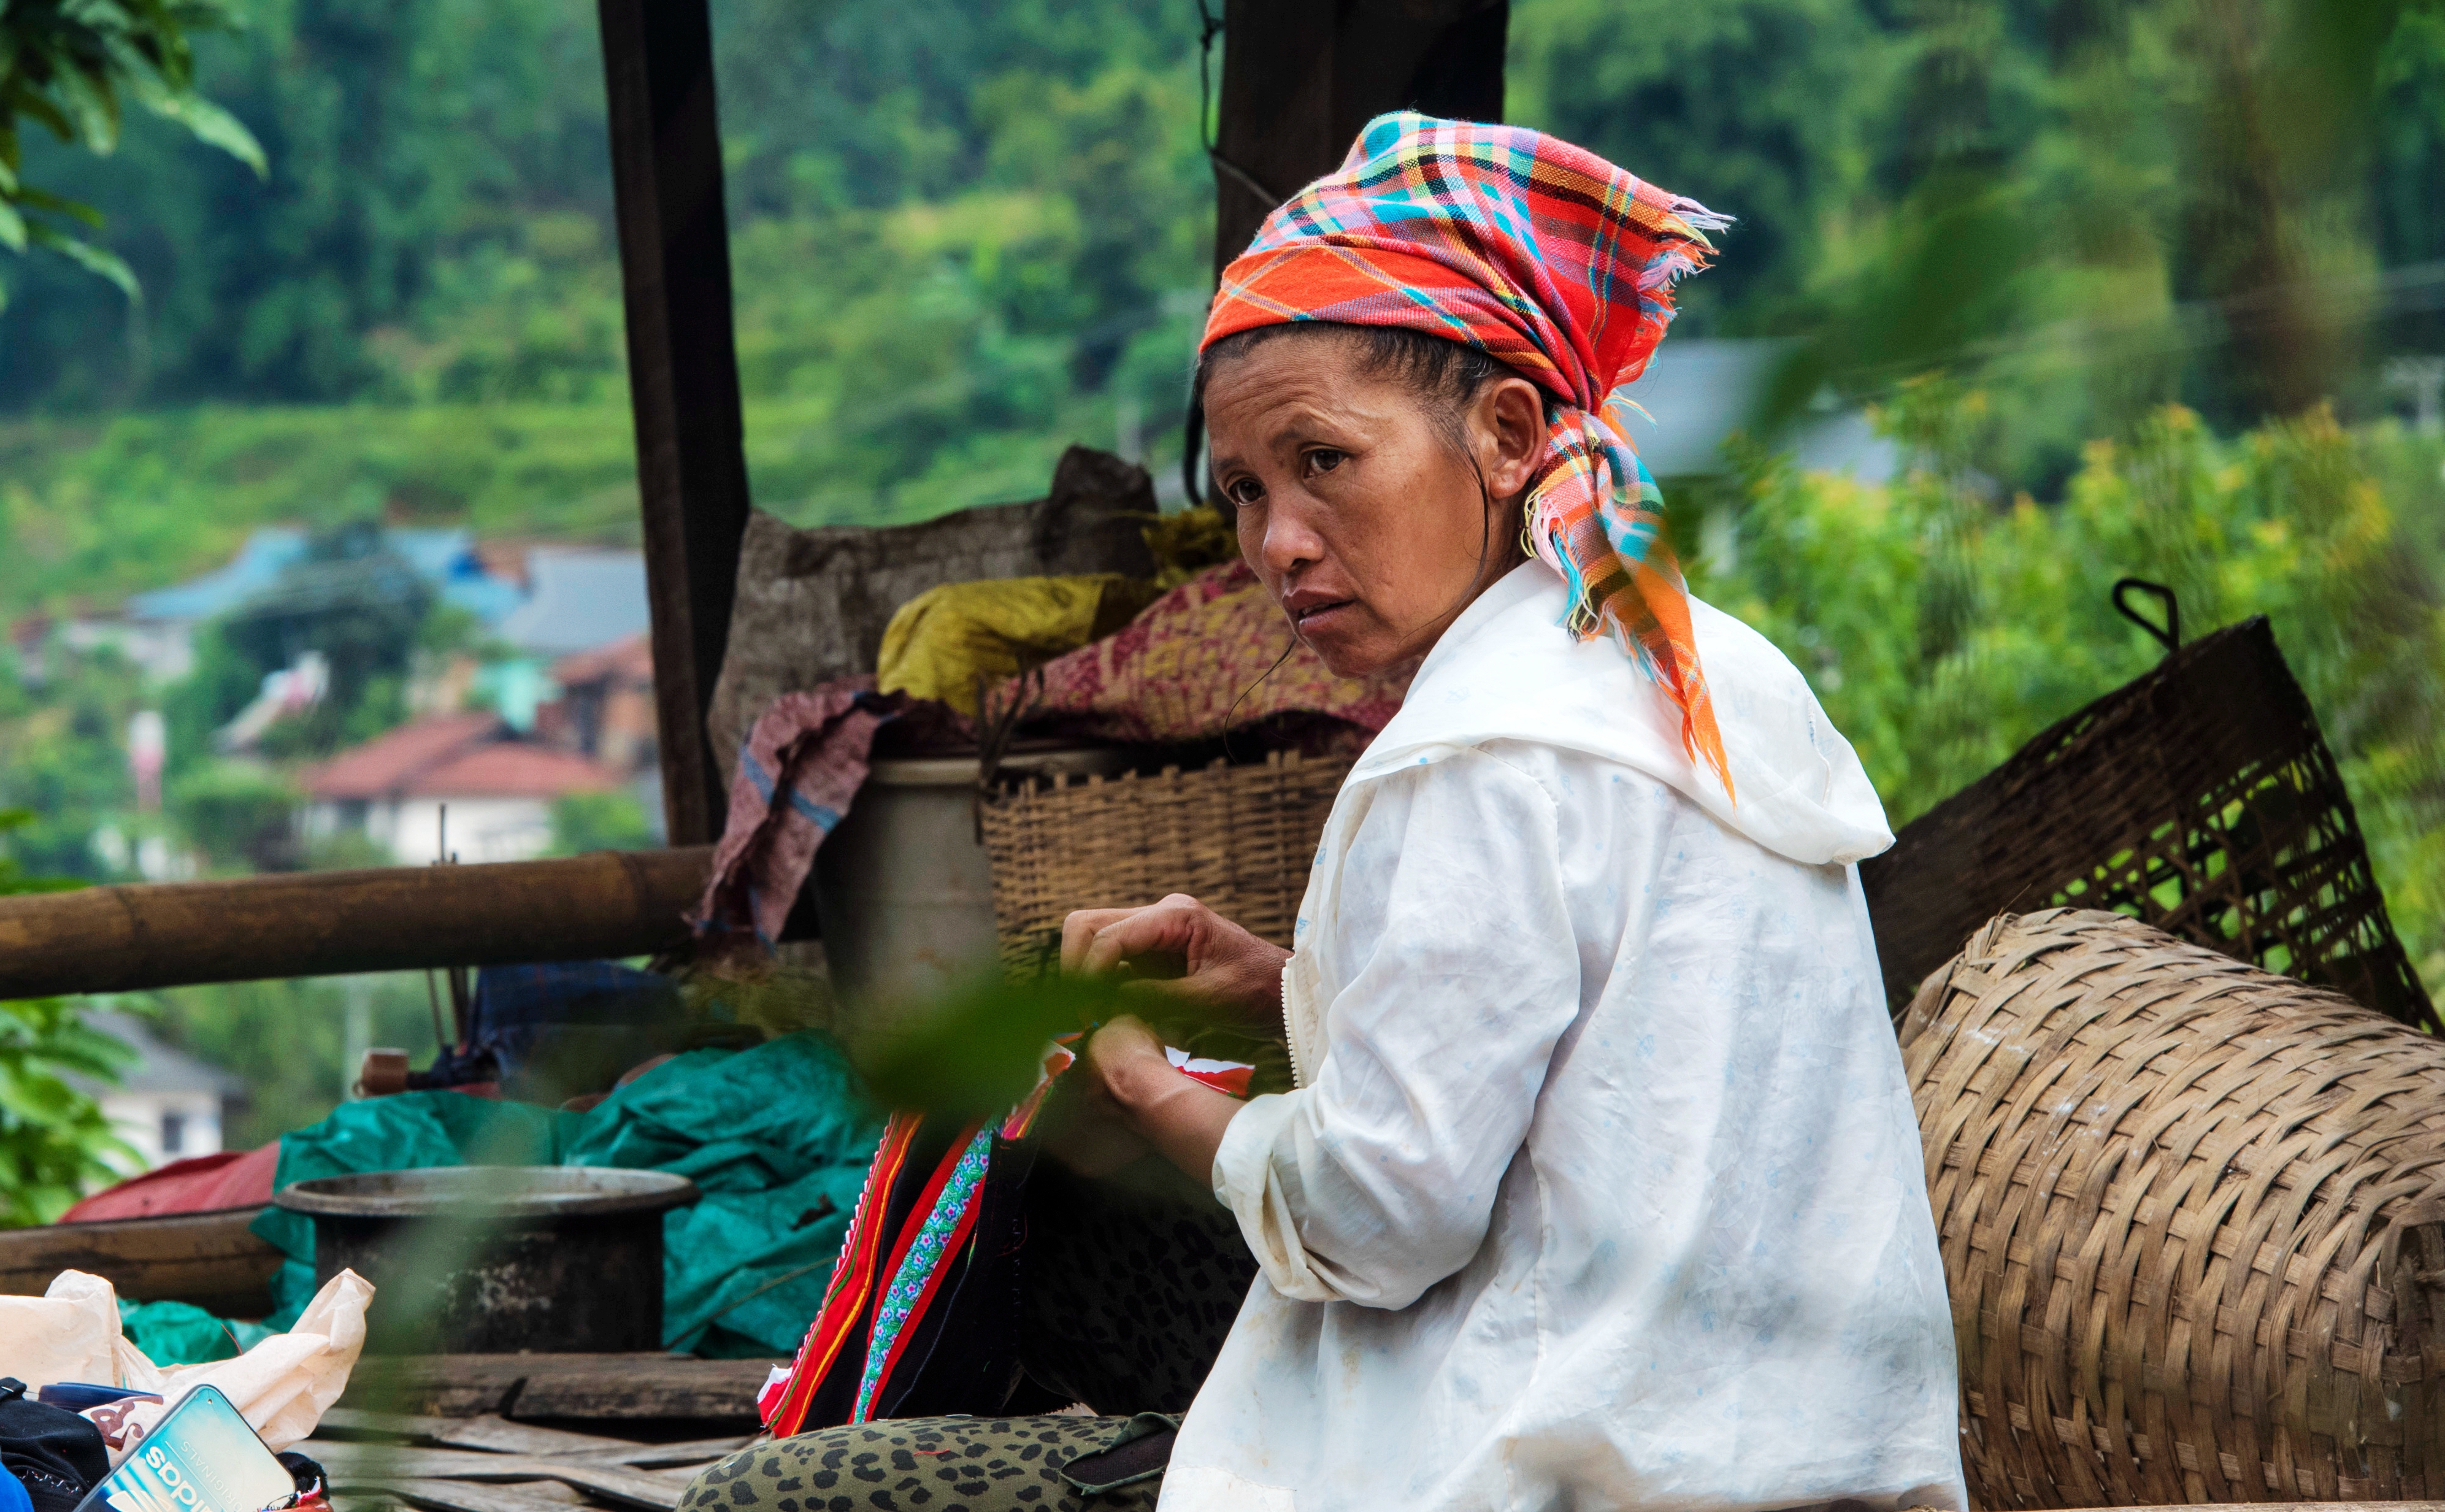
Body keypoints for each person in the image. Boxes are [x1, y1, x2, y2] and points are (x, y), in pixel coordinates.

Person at [688, 114, 1961, 1512]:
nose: (1277, 540)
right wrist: (1284, 992)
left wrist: (1145, 1087)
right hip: (1811, 1459)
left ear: (1507, 431)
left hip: (1555, 1474)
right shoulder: (1681, 669)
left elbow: (1380, 1220)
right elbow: (1584, 1068)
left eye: (1325, 462)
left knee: (768, 1500)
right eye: (1244, 488)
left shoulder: (1472, 754)